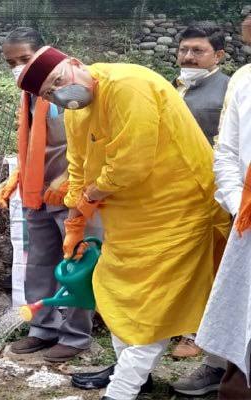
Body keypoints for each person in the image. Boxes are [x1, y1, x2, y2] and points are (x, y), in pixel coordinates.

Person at [16, 46, 230, 400]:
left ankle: (123, 390)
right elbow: (78, 165)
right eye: (50, 93)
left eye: (58, 81)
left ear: (75, 63)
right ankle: (139, 373)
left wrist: (89, 198)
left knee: (153, 305)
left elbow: (131, 163)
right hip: (130, 219)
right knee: (115, 291)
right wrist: (74, 220)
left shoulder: (128, 85)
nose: (60, 93)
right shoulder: (76, 111)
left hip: (181, 210)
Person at [0, 27, 99, 362]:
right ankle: (42, 329)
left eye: (25, 59)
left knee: (75, 265)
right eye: (11, 62)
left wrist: (71, 180)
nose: (18, 66)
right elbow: (33, 142)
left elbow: (91, 142)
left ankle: (75, 336)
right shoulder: (27, 93)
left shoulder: (73, 88)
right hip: (36, 192)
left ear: (45, 54)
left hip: (69, 193)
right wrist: (19, 175)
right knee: (39, 265)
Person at [194, 19, 251, 400]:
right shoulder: (244, 79)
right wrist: (238, 203)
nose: (245, 22)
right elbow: (227, 151)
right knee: (241, 320)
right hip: (247, 218)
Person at [173, 22, 229, 147]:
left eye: (197, 51)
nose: (187, 57)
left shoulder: (231, 90)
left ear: (218, 56)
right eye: (183, 50)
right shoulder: (169, 87)